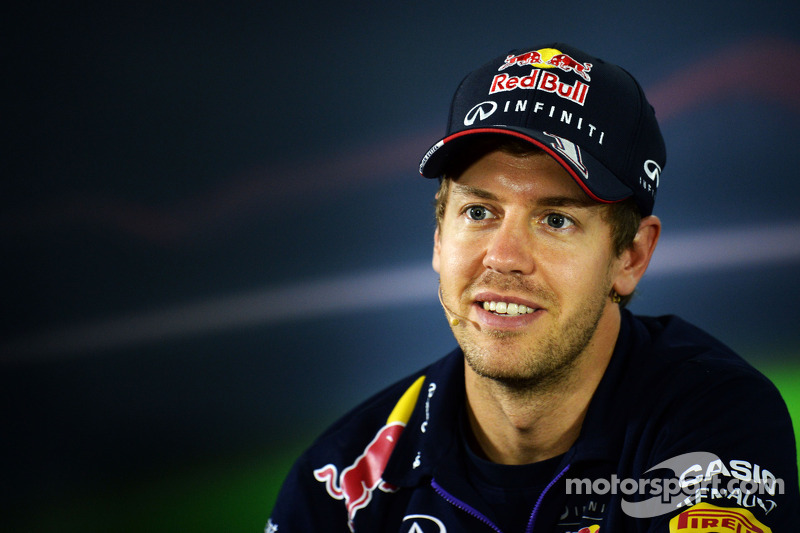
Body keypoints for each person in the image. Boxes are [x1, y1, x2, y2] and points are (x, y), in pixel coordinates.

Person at [266, 43, 799, 532]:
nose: (504, 257)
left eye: (556, 221)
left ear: (630, 257)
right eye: (478, 211)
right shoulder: (339, 478)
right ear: (437, 238)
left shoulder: (715, 421)